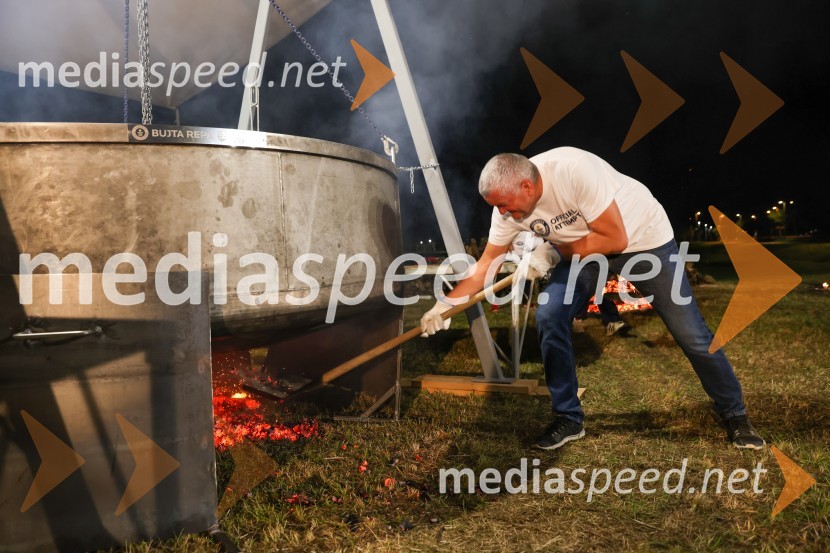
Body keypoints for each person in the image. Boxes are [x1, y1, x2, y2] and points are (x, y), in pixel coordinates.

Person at [420, 148, 764, 451]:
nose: (504, 215)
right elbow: (484, 268)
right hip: (581, 251)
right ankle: (568, 418)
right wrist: (445, 304)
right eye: (498, 208)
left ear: (527, 186)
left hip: (643, 240)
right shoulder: (506, 209)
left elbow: (614, 237)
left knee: (692, 334)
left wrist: (552, 252)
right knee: (550, 315)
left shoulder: (572, 170)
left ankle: (735, 413)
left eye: (505, 206)